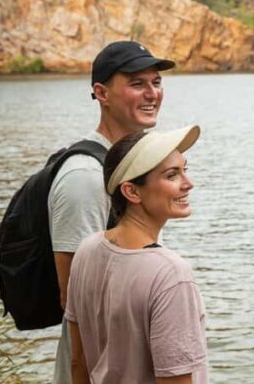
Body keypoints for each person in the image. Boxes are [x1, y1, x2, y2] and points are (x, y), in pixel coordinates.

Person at [50, 40, 175, 384]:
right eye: (137, 84)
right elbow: (76, 299)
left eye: (156, 82)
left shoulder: (123, 168)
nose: (152, 94)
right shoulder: (85, 178)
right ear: (101, 93)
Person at [65, 127, 208, 384]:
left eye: (185, 169)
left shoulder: (86, 251)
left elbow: (78, 362)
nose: (188, 183)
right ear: (132, 191)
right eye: (172, 175)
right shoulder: (171, 275)